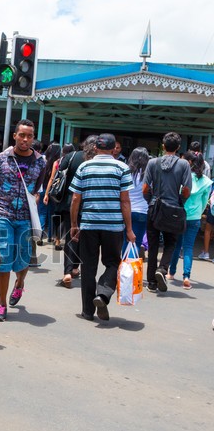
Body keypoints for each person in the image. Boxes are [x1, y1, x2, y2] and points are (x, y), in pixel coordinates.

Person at [0, 119, 46, 322]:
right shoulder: (1, 159)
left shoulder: (41, 162)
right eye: (22, 135)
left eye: (29, 136)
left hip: (25, 218)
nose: (25, 139)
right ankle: (1, 304)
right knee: (3, 259)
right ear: (15, 136)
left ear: (33, 138)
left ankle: (19, 284)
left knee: (23, 259)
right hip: (2, 214)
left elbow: (36, 190)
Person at [69, 133, 134, 321]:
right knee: (113, 263)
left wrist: (74, 224)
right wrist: (129, 229)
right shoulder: (122, 168)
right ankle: (103, 294)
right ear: (114, 149)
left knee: (88, 266)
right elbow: (125, 201)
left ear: (95, 148)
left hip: (89, 224)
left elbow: (75, 199)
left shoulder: (84, 166)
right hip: (113, 226)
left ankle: (88, 311)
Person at [143, 132, 192, 294]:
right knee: (171, 242)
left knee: (153, 244)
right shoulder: (184, 165)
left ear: (163, 146)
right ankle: (162, 269)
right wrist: (179, 201)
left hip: (154, 207)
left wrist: (151, 200)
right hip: (173, 209)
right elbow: (186, 190)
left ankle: (151, 283)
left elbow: (145, 188)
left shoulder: (152, 163)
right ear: (178, 147)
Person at [44, 140, 88, 287]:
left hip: (70, 203)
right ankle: (76, 267)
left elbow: (58, 175)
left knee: (71, 236)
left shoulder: (71, 156)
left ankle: (68, 271)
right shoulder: (97, 161)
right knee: (84, 238)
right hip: (91, 205)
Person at [168, 151, 212, 288]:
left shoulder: (183, 178)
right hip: (195, 218)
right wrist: (199, 212)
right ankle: (186, 277)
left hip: (180, 215)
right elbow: (205, 201)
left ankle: (171, 272)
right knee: (188, 247)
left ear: (190, 163)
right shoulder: (206, 181)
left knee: (176, 245)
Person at [123, 147, 150, 254]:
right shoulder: (148, 174)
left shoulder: (126, 172)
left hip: (126, 210)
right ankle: (131, 269)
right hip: (142, 211)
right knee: (136, 242)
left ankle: (124, 267)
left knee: (126, 240)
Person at [37, 142, 61, 246]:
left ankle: (40, 237)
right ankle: (50, 236)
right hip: (54, 192)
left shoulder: (43, 160)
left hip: (42, 189)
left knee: (42, 213)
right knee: (52, 214)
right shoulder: (59, 162)